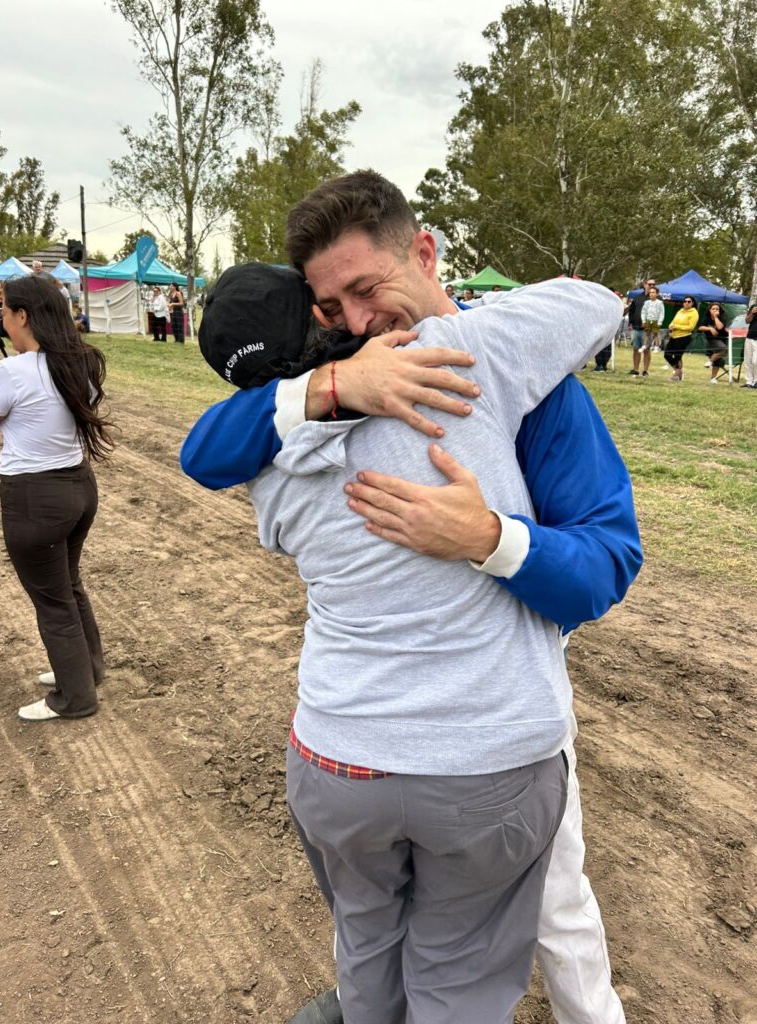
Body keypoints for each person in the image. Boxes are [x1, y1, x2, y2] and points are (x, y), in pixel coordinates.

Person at [182, 172, 641, 1024]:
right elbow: (203, 447)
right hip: (485, 745)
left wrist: (489, 539)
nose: (357, 323)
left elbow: (606, 565)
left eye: (367, 289)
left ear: (425, 253)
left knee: (545, 912)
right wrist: (331, 386)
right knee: (466, 961)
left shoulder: (517, 377)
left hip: (395, 738)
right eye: (331, 308)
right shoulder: (314, 401)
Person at [0, 275, 113, 721]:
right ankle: (87, 670)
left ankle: (75, 698)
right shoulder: (80, 363)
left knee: (52, 599)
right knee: (69, 584)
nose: (1, 319)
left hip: (33, 497)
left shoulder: (9, 373)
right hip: (79, 487)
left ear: (22, 316)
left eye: (4, 310)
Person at [665, 296, 699, 381]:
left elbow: (691, 327)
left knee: (677, 356)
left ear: (692, 303)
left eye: (689, 301)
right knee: (667, 355)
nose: (686, 303)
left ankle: (677, 375)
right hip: (674, 336)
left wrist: (676, 326)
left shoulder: (694, 313)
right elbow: (674, 321)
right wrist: (671, 326)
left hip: (684, 337)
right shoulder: (681, 310)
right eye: (685, 301)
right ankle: (679, 371)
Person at [625, 278, 653, 374]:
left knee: (646, 349)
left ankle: (645, 370)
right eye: (650, 284)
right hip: (636, 327)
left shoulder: (656, 299)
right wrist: (630, 323)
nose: (652, 286)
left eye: (654, 284)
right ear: (644, 285)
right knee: (636, 349)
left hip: (648, 329)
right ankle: (635, 369)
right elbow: (632, 311)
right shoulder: (637, 298)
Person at [698, 301, 729, 383]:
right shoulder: (706, 318)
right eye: (713, 309)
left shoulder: (722, 317)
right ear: (709, 310)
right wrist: (710, 328)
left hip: (721, 340)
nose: (715, 310)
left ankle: (713, 377)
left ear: (720, 310)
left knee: (719, 360)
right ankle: (711, 363)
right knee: (722, 351)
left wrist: (716, 317)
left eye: (717, 309)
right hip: (710, 341)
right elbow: (700, 327)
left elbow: (720, 327)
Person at [641, 285, 665, 365]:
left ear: (657, 294)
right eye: (650, 292)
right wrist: (644, 320)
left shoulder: (660, 303)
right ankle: (644, 345)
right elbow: (643, 312)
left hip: (656, 320)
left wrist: (660, 321)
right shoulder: (646, 302)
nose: (651, 294)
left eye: (653, 292)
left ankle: (657, 346)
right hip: (648, 319)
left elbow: (662, 313)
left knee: (655, 334)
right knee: (647, 333)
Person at [742, 302, 757, 389]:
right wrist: (752, 312)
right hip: (750, 338)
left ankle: (756, 381)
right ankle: (749, 381)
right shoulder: (753, 307)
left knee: (756, 361)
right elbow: (747, 321)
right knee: (748, 361)